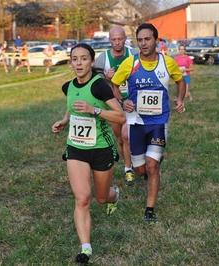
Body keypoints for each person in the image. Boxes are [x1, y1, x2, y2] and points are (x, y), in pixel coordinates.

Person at [52, 43, 125, 264]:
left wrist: (95, 110)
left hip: (101, 149)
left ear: (92, 62)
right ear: (71, 62)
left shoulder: (100, 86)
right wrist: (65, 120)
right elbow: (72, 106)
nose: (79, 63)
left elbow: (120, 117)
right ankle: (86, 248)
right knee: (83, 198)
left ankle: (115, 194)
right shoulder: (68, 86)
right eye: (75, 59)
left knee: (101, 198)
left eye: (84, 59)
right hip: (76, 148)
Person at [111, 23, 185, 224]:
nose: (143, 43)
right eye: (140, 40)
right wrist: (122, 101)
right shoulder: (130, 63)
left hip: (159, 122)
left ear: (156, 40)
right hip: (136, 122)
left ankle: (149, 210)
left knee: (152, 167)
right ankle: (149, 164)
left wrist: (180, 99)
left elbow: (181, 81)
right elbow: (115, 85)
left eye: (147, 39)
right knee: (140, 170)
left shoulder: (167, 62)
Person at [95, 25, 137, 186]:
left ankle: (128, 170)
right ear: (109, 40)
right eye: (114, 39)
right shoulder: (103, 58)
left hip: (132, 102)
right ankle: (131, 162)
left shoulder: (132, 54)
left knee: (127, 137)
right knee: (120, 139)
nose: (117, 42)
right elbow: (95, 80)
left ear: (125, 39)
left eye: (120, 39)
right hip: (114, 105)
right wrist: (106, 77)